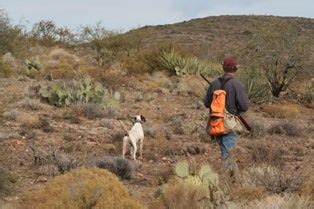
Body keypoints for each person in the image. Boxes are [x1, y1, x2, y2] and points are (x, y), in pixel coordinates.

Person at [204, 56, 249, 173]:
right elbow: (244, 106)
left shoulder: (214, 84)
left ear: (223, 67)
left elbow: (206, 103)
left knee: (225, 153)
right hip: (230, 124)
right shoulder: (237, 84)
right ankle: (230, 181)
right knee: (228, 155)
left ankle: (230, 179)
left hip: (215, 123)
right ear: (235, 69)